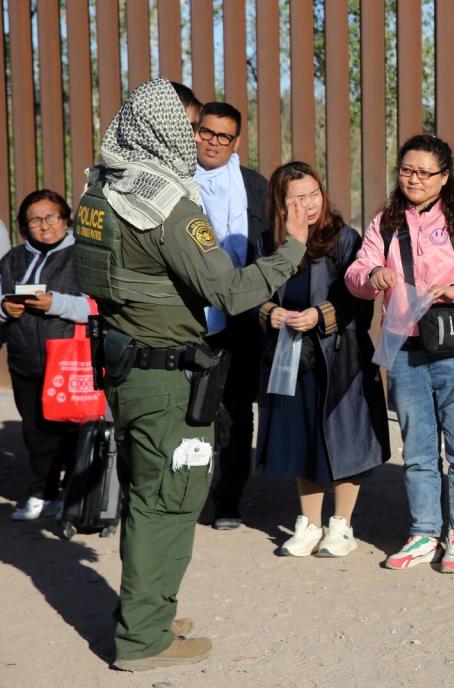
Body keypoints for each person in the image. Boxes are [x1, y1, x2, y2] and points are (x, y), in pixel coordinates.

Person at [72, 78, 309, 671]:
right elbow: (228, 290)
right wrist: (293, 248)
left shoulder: (100, 189)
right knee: (169, 501)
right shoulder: (165, 205)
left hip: (126, 364)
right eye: (186, 123)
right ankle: (144, 640)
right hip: (164, 373)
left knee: (146, 494)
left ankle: (146, 610)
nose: (191, 134)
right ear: (162, 129)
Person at [345, 134, 454, 573]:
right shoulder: (385, 221)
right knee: (416, 448)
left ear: (445, 176)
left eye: (424, 172)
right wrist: (372, 275)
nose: (413, 178)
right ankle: (423, 531)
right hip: (404, 346)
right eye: (406, 170)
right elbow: (355, 272)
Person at [257, 161, 389, 557]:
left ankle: (342, 525)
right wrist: (270, 313)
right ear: (281, 204)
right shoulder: (268, 243)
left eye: (313, 194)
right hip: (290, 355)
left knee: (344, 437)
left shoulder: (343, 238)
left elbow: (359, 297)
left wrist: (320, 314)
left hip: (340, 356)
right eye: (297, 198)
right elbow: (248, 292)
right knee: (303, 439)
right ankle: (309, 523)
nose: (309, 204)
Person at [193, 101, 270, 530]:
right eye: (207, 132)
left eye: (223, 136)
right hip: (185, 313)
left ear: (235, 141)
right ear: (196, 131)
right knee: (182, 409)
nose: (213, 143)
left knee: (236, 410)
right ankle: (182, 496)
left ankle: (228, 499)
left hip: (240, 314)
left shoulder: (254, 186)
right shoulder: (175, 182)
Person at [1, 190, 92, 520]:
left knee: (72, 432)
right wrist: (4, 308)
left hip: (69, 362)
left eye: (51, 217)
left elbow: (96, 308)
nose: (45, 226)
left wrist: (57, 304)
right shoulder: (12, 260)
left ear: (66, 218)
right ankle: (43, 491)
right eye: (35, 220)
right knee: (36, 433)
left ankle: (74, 495)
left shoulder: (82, 255)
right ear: (25, 227)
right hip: (26, 361)